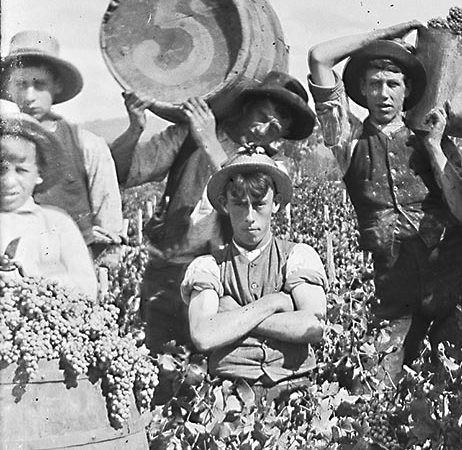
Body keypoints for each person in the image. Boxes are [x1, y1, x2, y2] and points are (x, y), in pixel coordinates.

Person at [308, 21, 462, 378]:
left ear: (408, 90)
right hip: (393, 292)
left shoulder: (435, 138)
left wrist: (433, 147)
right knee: (374, 386)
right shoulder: (349, 140)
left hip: (450, 282)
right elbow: (319, 58)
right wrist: (383, 36)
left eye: (392, 84)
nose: (383, 94)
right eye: (374, 84)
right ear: (362, 91)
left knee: (458, 386)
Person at [111, 70, 316, 352]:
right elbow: (125, 172)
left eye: (277, 126)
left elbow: (249, 191)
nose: (266, 128)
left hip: (227, 284)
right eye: (264, 115)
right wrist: (135, 128)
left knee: (214, 376)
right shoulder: (190, 134)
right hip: (168, 273)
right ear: (246, 106)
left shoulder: (272, 168)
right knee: (162, 362)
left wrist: (209, 141)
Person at [181, 150, 326, 396]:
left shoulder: (298, 256)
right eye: (239, 204)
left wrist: (233, 315)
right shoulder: (208, 266)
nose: (249, 217)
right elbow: (204, 335)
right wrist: (275, 302)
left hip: (294, 392)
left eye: (259, 205)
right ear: (225, 205)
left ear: (276, 204)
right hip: (228, 398)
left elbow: (312, 326)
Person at [1, 30, 124, 297]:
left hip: (70, 275)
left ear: (56, 86)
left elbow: (110, 226)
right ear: (9, 86)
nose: (30, 95)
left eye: (39, 84)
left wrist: (101, 272)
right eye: (21, 84)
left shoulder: (87, 145)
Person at [0, 107, 98, 299]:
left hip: (43, 320)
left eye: (21, 170)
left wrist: (35, 279)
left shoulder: (57, 223)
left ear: (40, 173)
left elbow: (87, 287)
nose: (8, 181)